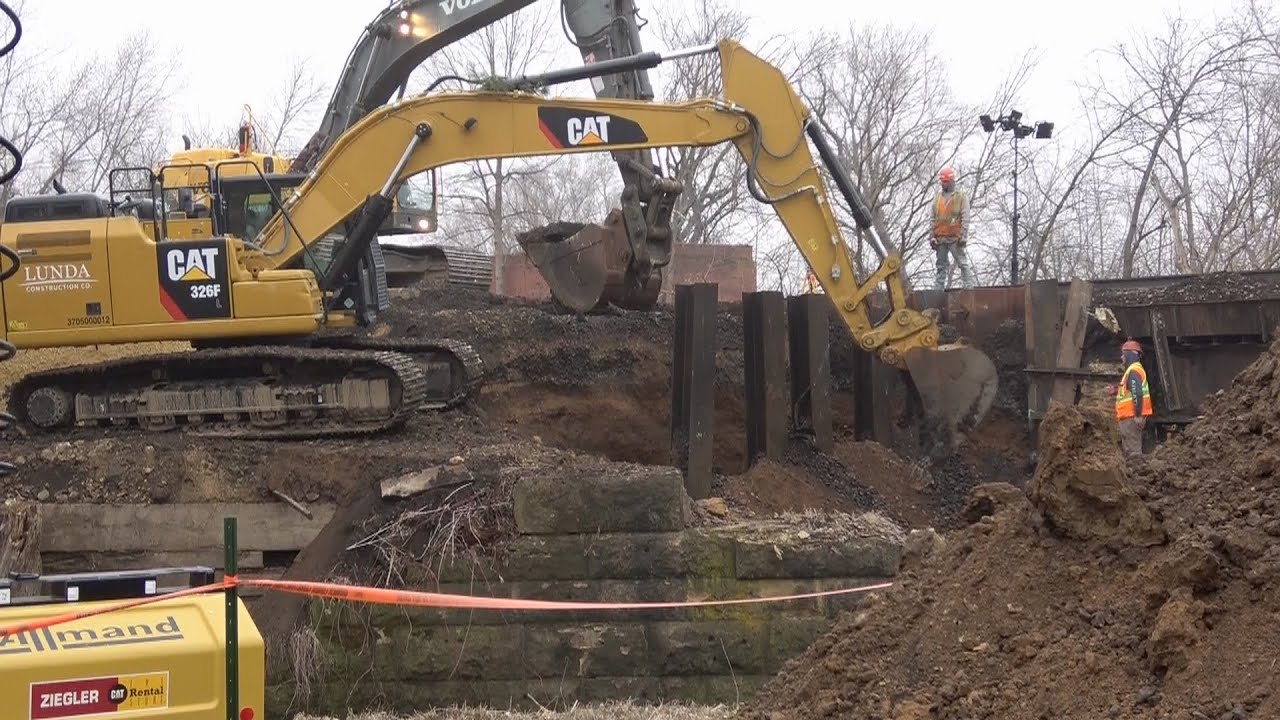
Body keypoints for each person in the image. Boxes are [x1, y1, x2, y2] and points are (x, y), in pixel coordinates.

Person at [931, 166, 975, 290]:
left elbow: (965, 217)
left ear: (951, 181)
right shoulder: (937, 199)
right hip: (940, 239)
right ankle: (938, 291)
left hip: (955, 238)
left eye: (945, 181)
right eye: (942, 181)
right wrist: (932, 237)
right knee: (941, 267)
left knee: (962, 263)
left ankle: (968, 288)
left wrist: (963, 236)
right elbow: (932, 219)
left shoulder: (961, 197)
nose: (943, 184)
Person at [1107, 339, 1153, 456]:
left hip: (1131, 417)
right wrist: (1115, 391)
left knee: (1133, 452)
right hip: (1128, 417)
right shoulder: (1133, 371)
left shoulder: (1133, 371)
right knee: (1129, 451)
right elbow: (1130, 389)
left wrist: (1138, 415)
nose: (1122, 358)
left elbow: (1137, 393)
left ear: (1130, 354)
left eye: (1124, 354)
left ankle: (1138, 472)